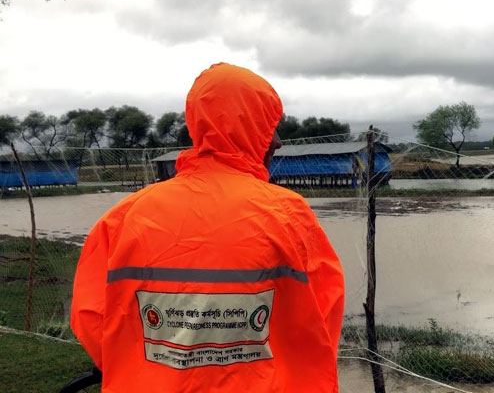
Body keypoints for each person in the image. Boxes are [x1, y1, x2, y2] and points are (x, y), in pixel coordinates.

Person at [70, 63, 345, 392]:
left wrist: (139, 365)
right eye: (271, 127)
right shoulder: (289, 215)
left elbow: (89, 318)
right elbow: (325, 315)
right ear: (255, 132)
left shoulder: (124, 218)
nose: (279, 142)